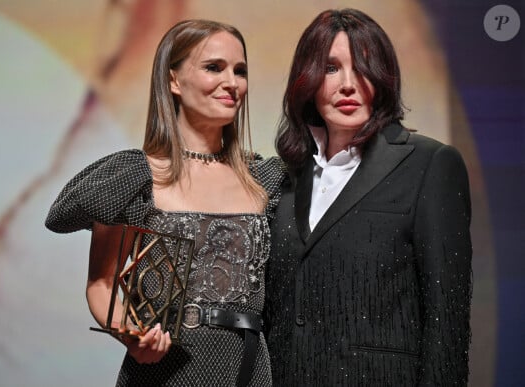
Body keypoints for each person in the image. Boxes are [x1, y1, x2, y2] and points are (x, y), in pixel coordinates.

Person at [46, 19, 284, 386]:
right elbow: (101, 283)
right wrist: (130, 335)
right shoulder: (137, 178)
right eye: (213, 67)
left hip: (246, 368)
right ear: (174, 81)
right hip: (161, 370)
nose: (232, 83)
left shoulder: (263, 179)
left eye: (240, 71)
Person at [264, 8, 472, 386]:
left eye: (362, 67)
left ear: (383, 77)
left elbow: (448, 323)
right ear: (306, 80)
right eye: (330, 68)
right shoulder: (283, 178)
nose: (348, 84)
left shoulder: (430, 164)